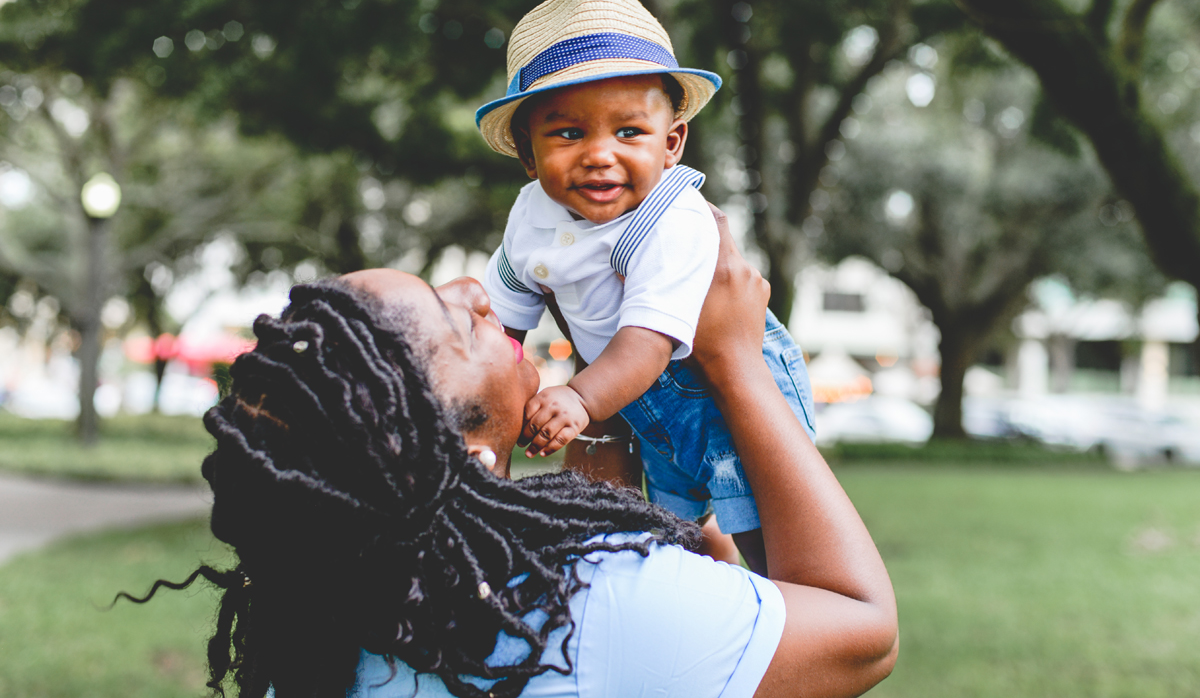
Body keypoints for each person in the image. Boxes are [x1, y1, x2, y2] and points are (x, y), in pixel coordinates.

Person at [122, 212, 896, 698]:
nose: (474, 289)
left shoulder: (314, 633)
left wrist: (605, 372)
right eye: (455, 325)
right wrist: (736, 361)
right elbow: (863, 633)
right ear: (450, 449)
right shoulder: (606, 603)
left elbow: (622, 530)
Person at [477, 0, 816, 572]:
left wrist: (579, 397)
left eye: (629, 132)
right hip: (636, 402)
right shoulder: (530, 216)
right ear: (528, 157)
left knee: (767, 541)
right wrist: (489, 401)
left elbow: (649, 341)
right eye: (568, 133)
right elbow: (502, 319)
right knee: (664, 541)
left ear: (671, 145)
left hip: (717, 389)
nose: (600, 154)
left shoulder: (673, 217)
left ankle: (778, 617)